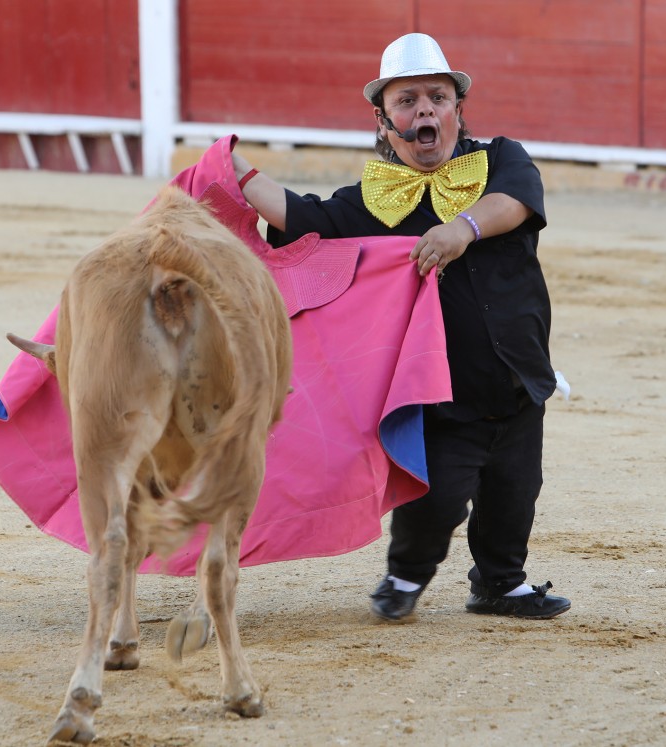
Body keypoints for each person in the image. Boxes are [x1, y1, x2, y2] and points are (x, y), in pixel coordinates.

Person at [231, 32, 571, 620]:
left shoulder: (500, 160)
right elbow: (303, 218)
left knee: (516, 492)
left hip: (519, 376)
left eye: (437, 98)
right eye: (407, 101)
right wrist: (235, 168)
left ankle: (499, 583)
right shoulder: (370, 201)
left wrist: (461, 228)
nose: (425, 111)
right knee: (436, 498)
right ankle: (406, 577)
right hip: (440, 393)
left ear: (457, 110)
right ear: (384, 121)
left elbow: (516, 200)